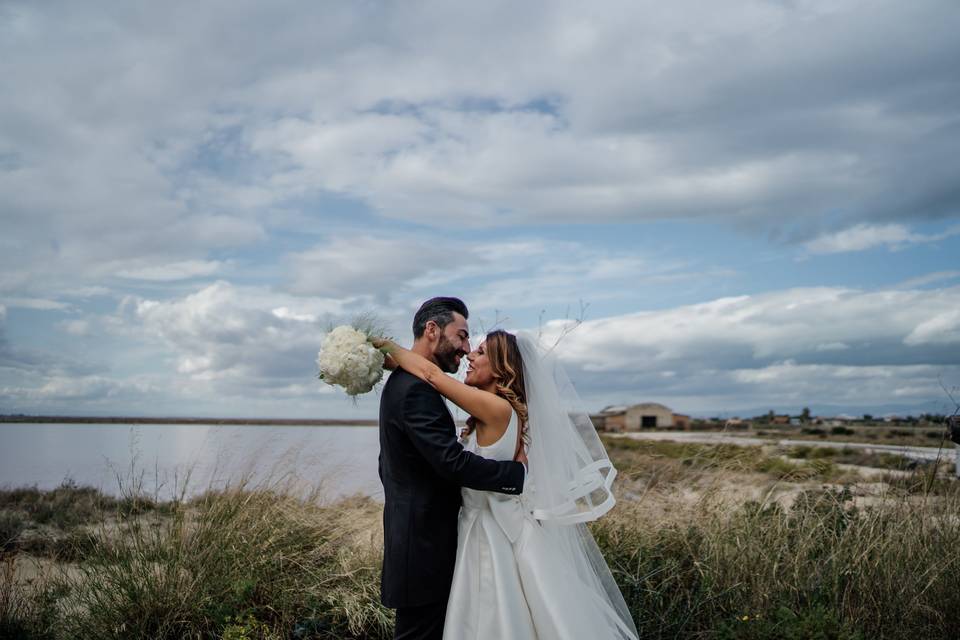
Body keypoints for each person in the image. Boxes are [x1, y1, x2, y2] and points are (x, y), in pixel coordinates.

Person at [377, 323, 639, 639]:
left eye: (482, 351)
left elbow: (432, 377)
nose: (470, 354)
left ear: (502, 369)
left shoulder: (497, 409)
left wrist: (387, 349)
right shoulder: (493, 411)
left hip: (492, 530)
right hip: (486, 524)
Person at [378, 297, 527, 640]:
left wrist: (391, 357)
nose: (466, 351)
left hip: (453, 540)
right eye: (462, 337)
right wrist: (516, 477)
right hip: (425, 545)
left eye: (476, 349)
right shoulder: (415, 388)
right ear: (432, 330)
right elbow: (450, 462)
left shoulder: (415, 384)